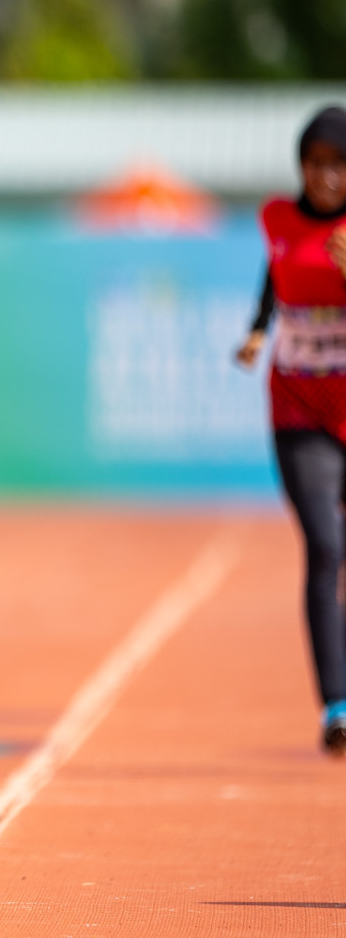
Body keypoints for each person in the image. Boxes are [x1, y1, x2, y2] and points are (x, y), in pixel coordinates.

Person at [236, 105, 346, 756]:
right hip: (298, 410)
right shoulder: (278, 220)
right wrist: (255, 331)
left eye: (338, 164)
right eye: (316, 163)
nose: (326, 176)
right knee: (325, 546)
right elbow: (273, 282)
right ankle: (337, 705)